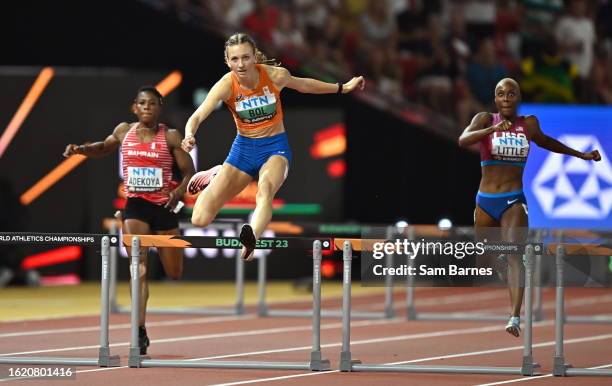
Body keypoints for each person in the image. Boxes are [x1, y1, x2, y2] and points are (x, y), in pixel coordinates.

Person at [182, 32, 365, 260]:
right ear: (228, 62)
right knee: (199, 220)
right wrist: (189, 134)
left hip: (274, 148)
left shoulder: (275, 76)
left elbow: (305, 85)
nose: (241, 64)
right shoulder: (226, 85)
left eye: (246, 57)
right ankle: (217, 173)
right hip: (243, 150)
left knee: (265, 190)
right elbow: (198, 116)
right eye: (235, 59)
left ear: (254, 57)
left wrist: (342, 88)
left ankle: (251, 239)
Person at [458, 78, 601, 337]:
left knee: (516, 255)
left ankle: (514, 316)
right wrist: (489, 132)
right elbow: (463, 139)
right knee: (486, 257)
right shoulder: (484, 119)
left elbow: (548, 143)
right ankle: (500, 260)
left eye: (511, 94)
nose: (506, 98)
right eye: (501, 94)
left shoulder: (529, 124)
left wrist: (581, 155)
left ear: (518, 97)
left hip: (513, 200)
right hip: (485, 200)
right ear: (495, 99)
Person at [63, 86, 195, 354]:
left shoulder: (170, 136)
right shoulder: (124, 131)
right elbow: (103, 147)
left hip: (164, 208)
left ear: (160, 107)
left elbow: (189, 171)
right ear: (135, 107)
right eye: (142, 104)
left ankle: (141, 325)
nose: (147, 108)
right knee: (139, 267)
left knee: (175, 273)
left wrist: (179, 192)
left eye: (152, 104)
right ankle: (139, 328)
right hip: (135, 206)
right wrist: (80, 149)